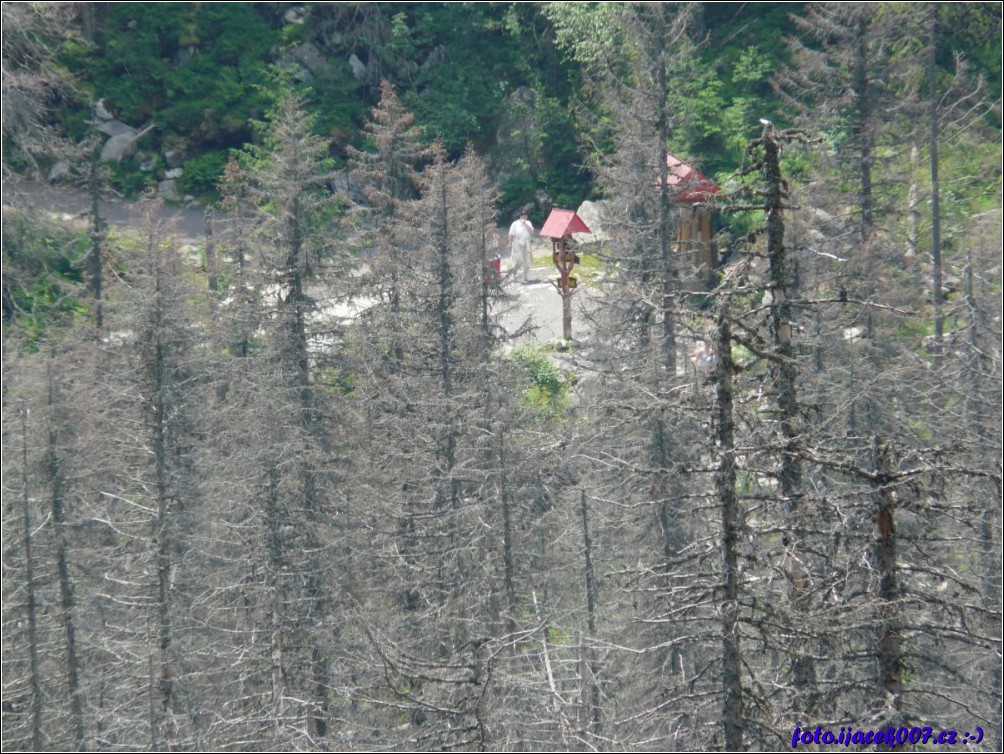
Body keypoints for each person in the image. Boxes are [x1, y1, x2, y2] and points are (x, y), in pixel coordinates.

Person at [508, 209, 534, 283]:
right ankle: (514, 274)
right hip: (517, 242)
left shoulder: (528, 223)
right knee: (518, 259)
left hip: (526, 242)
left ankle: (525, 276)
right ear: (520, 216)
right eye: (523, 216)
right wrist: (510, 243)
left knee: (526, 260)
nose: (524, 218)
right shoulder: (515, 223)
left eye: (525, 216)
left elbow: (531, 231)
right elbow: (510, 234)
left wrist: (525, 224)